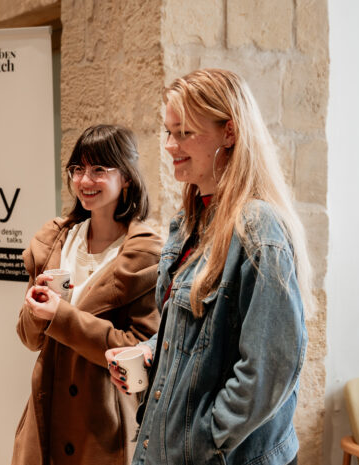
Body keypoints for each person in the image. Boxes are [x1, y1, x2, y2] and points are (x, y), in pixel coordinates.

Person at [106, 68, 312, 465]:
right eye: (168, 132)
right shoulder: (189, 223)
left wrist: (207, 437)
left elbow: (270, 367)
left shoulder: (258, 227)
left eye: (184, 133)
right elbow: (197, 336)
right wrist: (151, 352)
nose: (169, 145)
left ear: (230, 133)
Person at [12, 124, 163, 465]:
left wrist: (61, 316)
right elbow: (28, 338)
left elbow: (139, 349)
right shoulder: (57, 240)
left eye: (98, 169)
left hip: (104, 423)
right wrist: (35, 311)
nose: (84, 181)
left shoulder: (142, 255)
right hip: (46, 413)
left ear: (126, 177)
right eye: (78, 169)